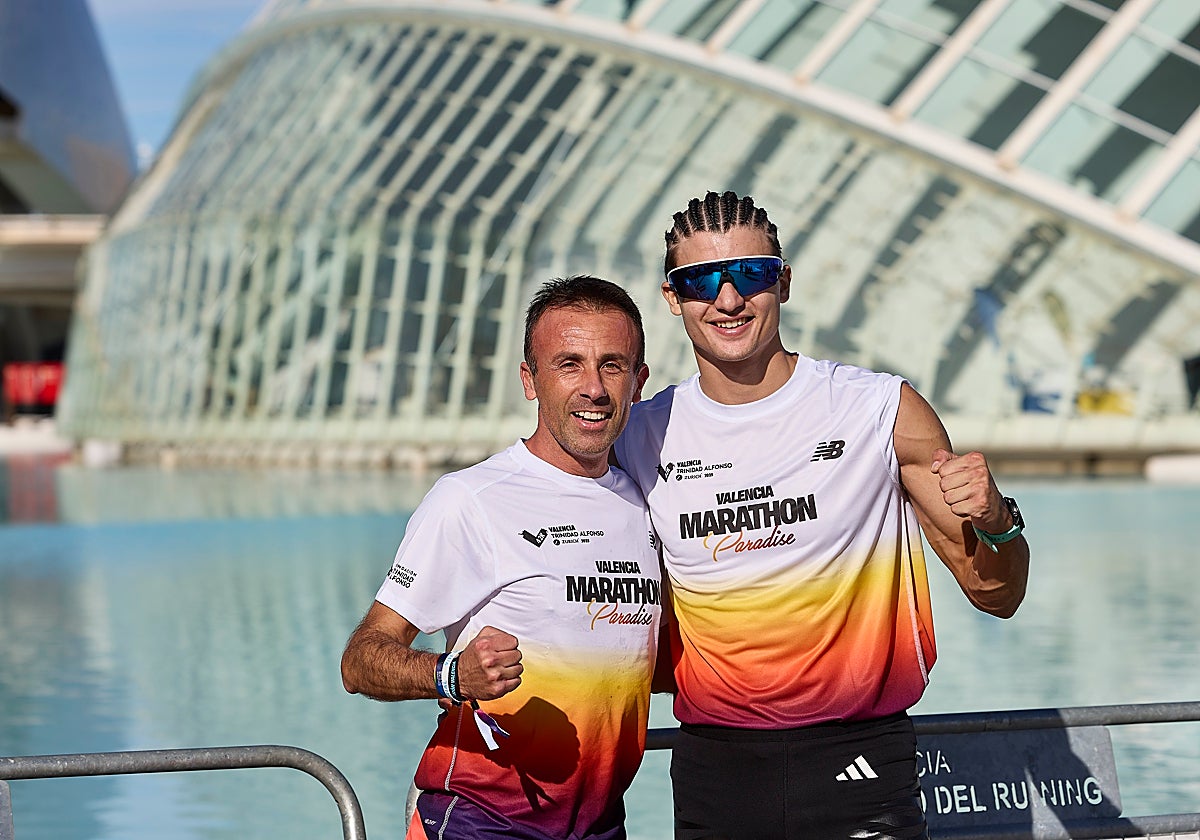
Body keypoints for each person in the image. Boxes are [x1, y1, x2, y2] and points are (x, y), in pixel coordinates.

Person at [613, 190, 1031, 840]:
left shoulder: (879, 410)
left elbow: (997, 594)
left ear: (782, 281)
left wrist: (997, 517)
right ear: (673, 297)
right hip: (715, 770)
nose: (727, 299)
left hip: (862, 761)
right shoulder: (640, 436)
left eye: (749, 274)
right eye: (701, 281)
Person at [341, 275, 662, 840]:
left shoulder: (647, 499)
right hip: (480, 819)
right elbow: (362, 660)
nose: (593, 388)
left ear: (638, 382)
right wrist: (451, 675)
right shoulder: (471, 499)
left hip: (599, 823)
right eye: (568, 364)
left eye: (612, 365)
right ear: (529, 379)